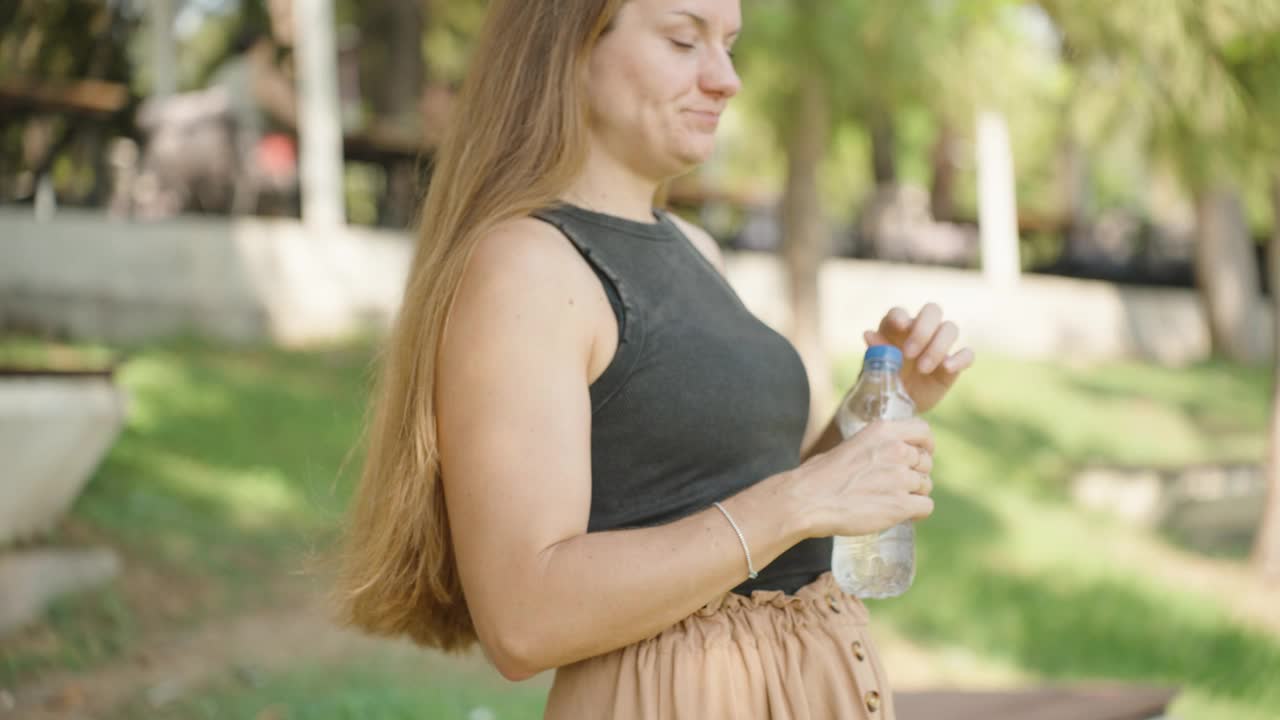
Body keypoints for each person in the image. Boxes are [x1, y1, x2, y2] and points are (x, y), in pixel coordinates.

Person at [335, 0, 974, 718]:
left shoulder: (694, 248)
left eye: (729, 46)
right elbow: (523, 618)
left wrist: (881, 405)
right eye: (683, 40)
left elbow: (763, 522)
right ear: (568, 50)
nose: (726, 78)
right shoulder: (525, 267)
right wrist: (799, 500)